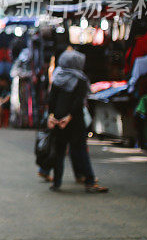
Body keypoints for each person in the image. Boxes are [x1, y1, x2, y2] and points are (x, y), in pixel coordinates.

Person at [47, 49, 109, 193]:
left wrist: (52, 116)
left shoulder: (58, 77)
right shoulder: (80, 79)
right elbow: (78, 102)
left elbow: (51, 99)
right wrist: (68, 117)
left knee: (59, 152)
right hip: (74, 121)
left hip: (58, 120)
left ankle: (56, 183)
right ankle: (89, 181)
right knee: (80, 151)